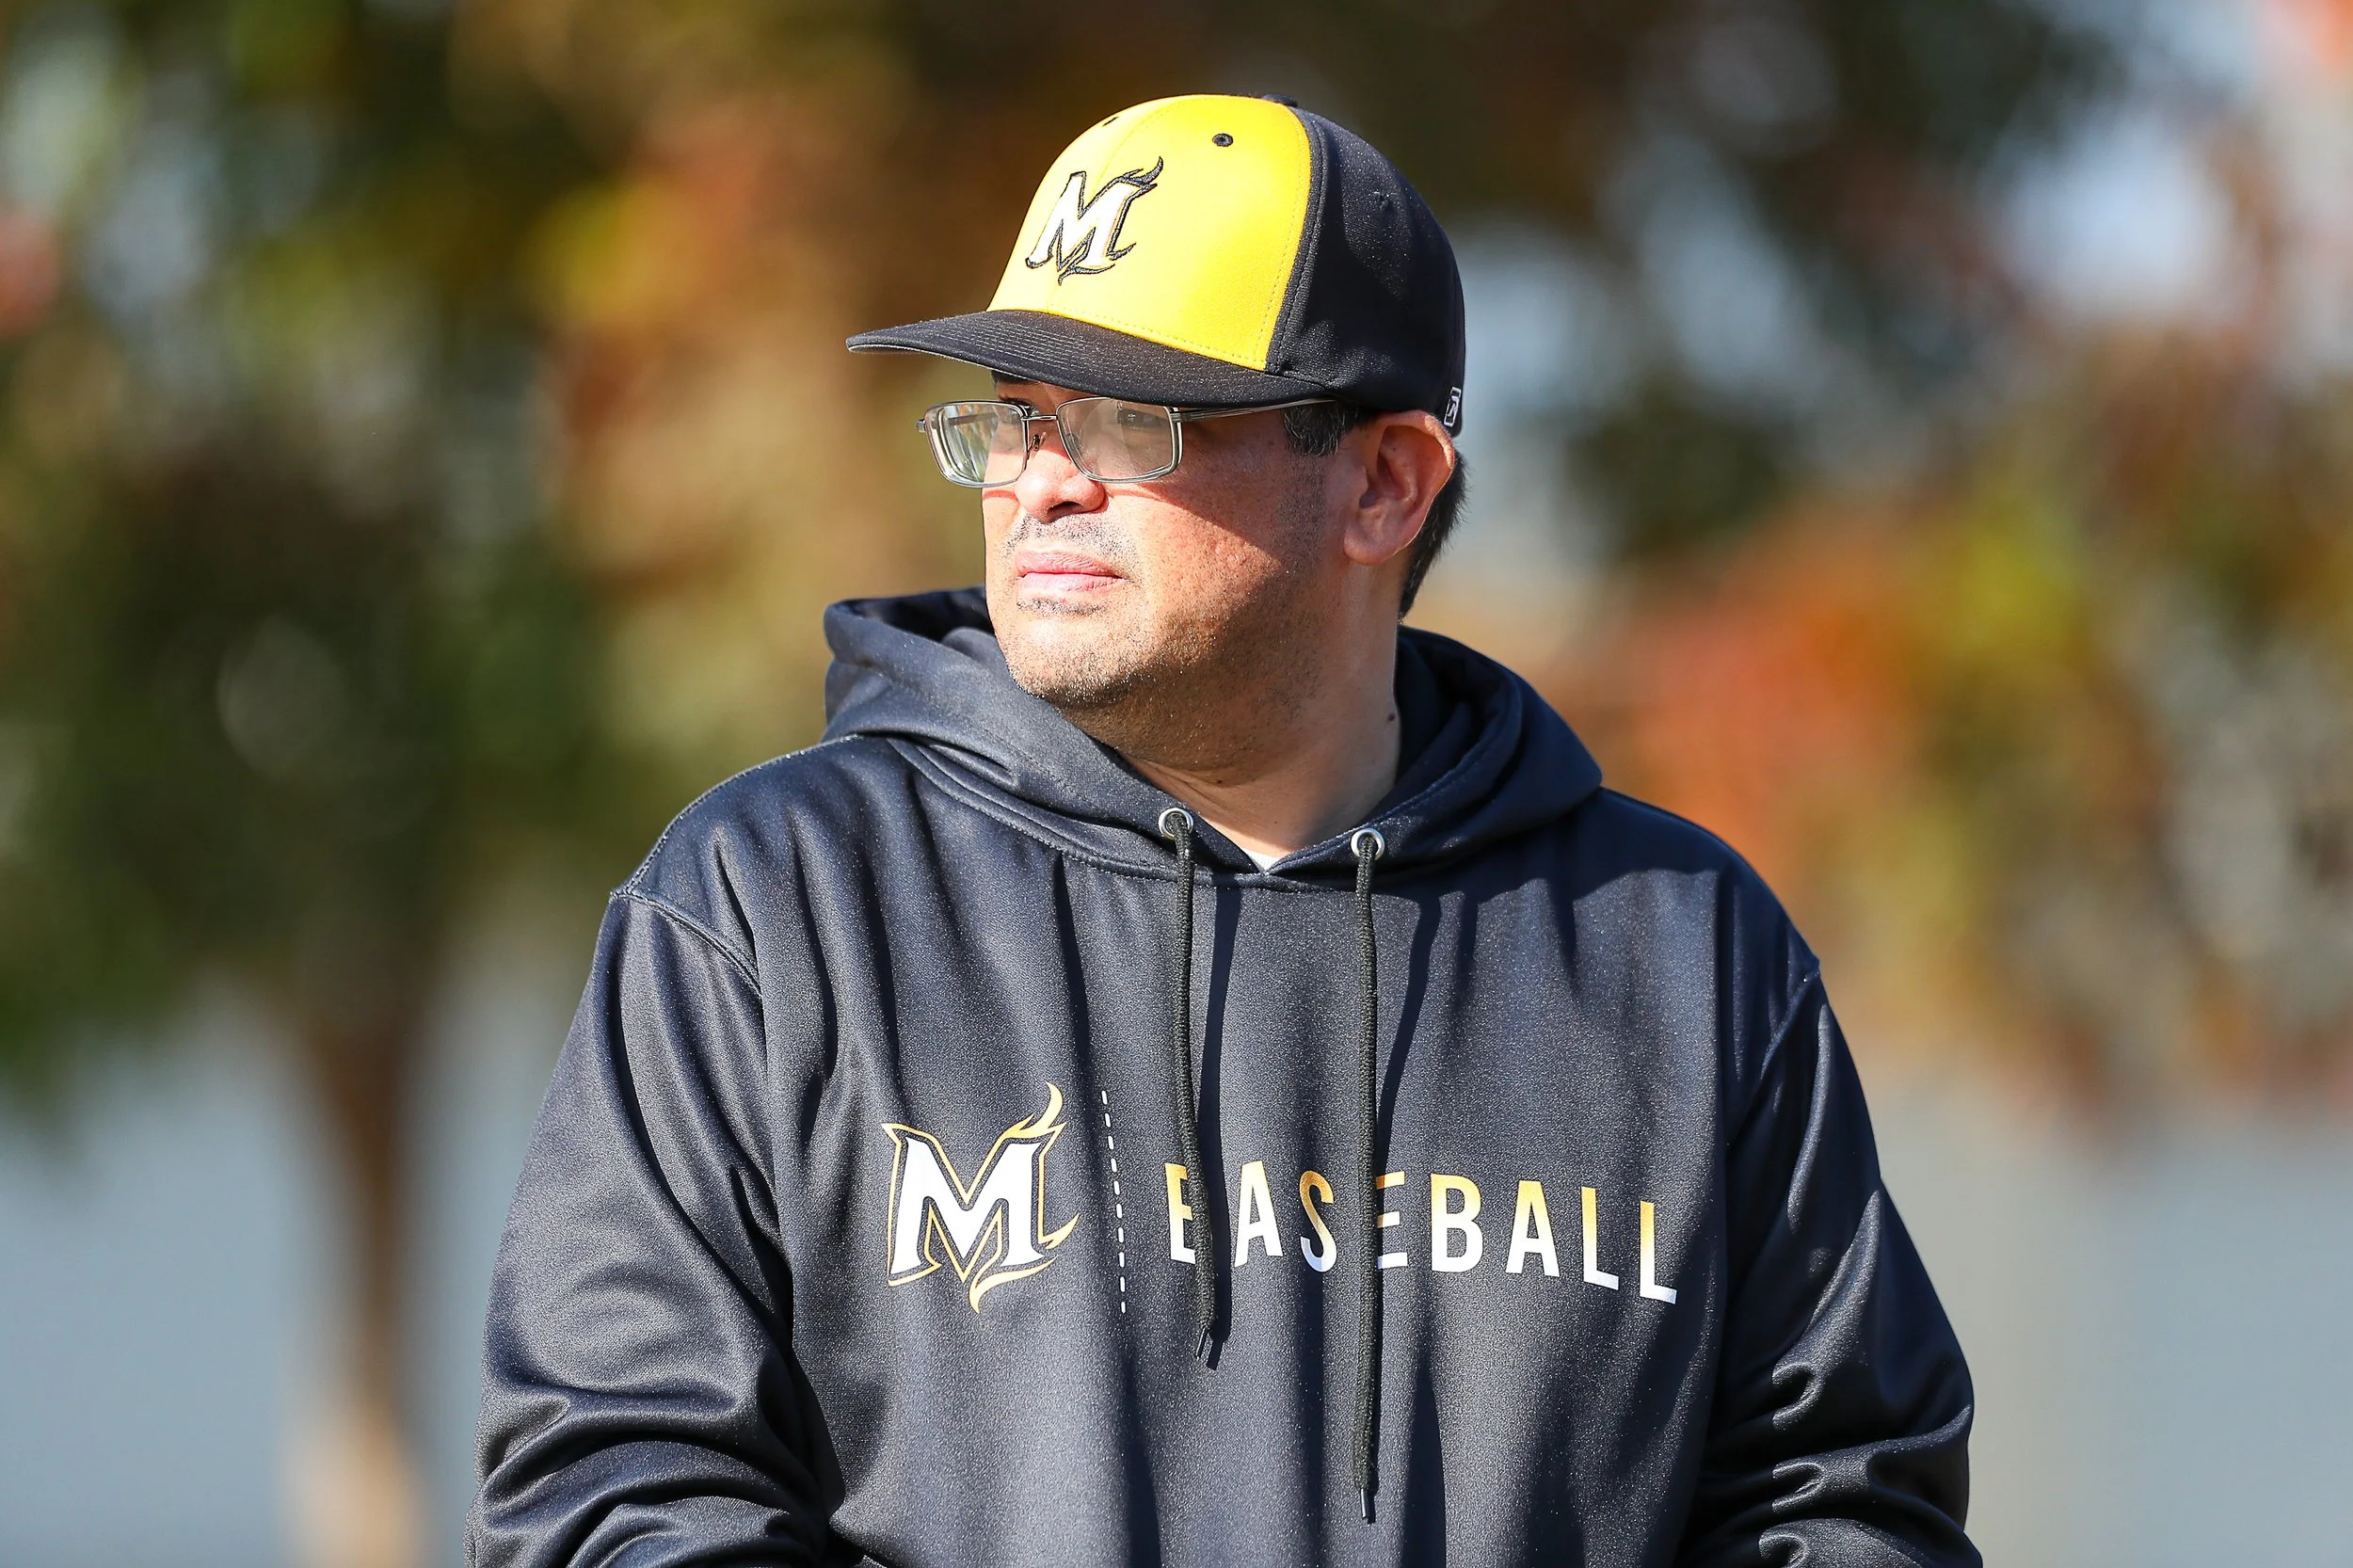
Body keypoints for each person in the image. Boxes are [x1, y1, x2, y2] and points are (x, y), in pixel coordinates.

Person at [470, 94, 1977, 1567]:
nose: (1044, 481)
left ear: (1385, 482)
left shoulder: (1683, 953)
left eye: (1131, 420)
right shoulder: (773, 908)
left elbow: (1841, 1496)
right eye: (1018, 418)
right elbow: (617, 1488)